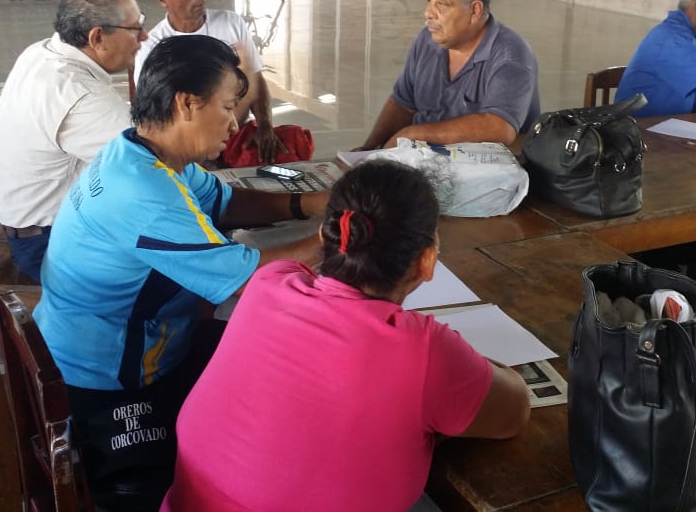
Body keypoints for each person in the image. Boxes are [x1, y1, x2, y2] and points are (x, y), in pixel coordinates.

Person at [34, 35, 327, 510]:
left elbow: (224, 201)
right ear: (187, 103)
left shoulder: (141, 152)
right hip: (108, 378)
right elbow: (247, 279)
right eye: (227, 107)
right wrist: (333, 239)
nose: (235, 123)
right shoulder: (144, 193)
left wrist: (308, 203)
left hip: (103, 339)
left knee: (263, 367)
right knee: (261, 407)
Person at [162, 160, 530, 512]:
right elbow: (514, 411)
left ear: (325, 236)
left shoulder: (269, 283)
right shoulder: (424, 351)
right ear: (427, 261)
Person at [0, 0, 148, 281]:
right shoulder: (78, 94)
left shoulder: (41, 51)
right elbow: (151, 164)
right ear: (97, 38)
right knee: (183, 275)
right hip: (48, 245)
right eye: (134, 28)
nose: (143, 36)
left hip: (32, 223)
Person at [358, 0, 540, 149]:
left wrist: (414, 134)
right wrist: (369, 149)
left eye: (441, 4)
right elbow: (403, 104)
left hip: (486, 164)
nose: (428, 13)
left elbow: (499, 129)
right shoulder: (427, 40)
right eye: (429, 1)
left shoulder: (511, 56)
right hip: (426, 157)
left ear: (474, 11)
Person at [135, 0, 283, 163]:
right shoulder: (153, 47)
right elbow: (158, 114)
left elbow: (256, 80)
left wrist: (265, 125)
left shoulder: (231, 23)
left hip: (235, 134)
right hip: (189, 146)